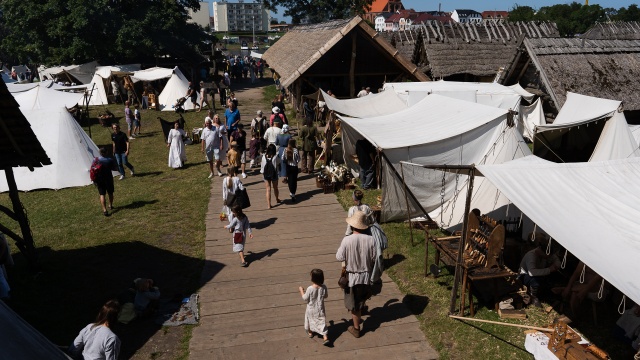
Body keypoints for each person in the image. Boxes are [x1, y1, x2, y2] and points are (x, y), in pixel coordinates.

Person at [336, 211, 376, 338]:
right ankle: (361, 309)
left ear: (352, 226)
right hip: (366, 276)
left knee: (354, 305)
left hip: (352, 277)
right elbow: (374, 257)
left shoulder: (347, 240)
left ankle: (356, 328)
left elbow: (339, 257)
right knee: (361, 297)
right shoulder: (371, 240)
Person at [519, 237, 561, 308]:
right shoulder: (531, 256)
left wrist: (555, 265)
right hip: (525, 277)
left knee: (555, 274)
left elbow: (557, 261)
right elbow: (532, 272)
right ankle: (533, 297)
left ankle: (547, 292)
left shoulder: (547, 253)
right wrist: (549, 269)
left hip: (539, 274)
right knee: (534, 278)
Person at [298, 269, 330, 346]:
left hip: (311, 309)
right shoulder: (324, 287)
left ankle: (310, 332)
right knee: (321, 321)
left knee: (309, 319)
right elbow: (326, 296)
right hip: (320, 308)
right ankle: (325, 336)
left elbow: (305, 298)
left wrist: (301, 291)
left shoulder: (310, 288)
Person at [94, 148, 117, 216]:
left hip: (99, 179)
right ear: (106, 152)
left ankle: (104, 210)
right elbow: (114, 168)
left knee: (102, 194)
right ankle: (110, 205)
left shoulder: (95, 160)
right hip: (108, 178)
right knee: (110, 193)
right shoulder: (109, 160)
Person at [261, 144, 280, 209]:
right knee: (275, 188)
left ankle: (269, 205)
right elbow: (279, 162)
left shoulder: (264, 157)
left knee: (268, 189)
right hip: (274, 174)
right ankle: (277, 199)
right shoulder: (275, 157)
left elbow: (262, 167)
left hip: (266, 174)